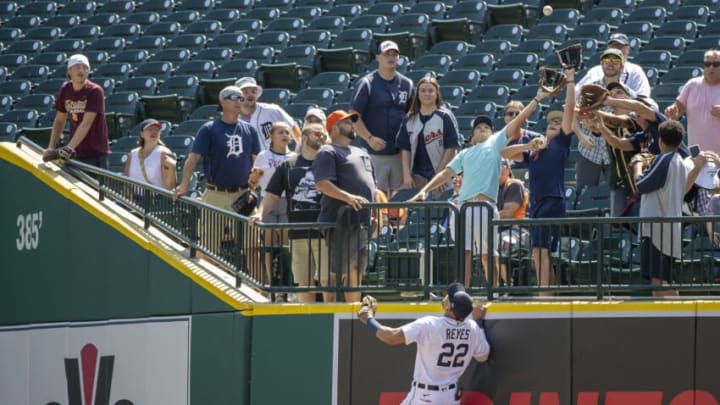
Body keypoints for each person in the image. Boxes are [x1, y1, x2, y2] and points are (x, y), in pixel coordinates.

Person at [408, 87, 549, 288]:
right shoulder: (464, 153)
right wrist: (424, 190)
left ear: (493, 132)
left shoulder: (496, 142)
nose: (483, 128)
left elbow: (519, 120)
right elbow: (445, 173)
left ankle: (494, 293)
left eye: (486, 127)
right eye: (478, 127)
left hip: (485, 207)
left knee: (488, 254)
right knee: (463, 254)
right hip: (463, 206)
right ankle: (461, 294)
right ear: (472, 135)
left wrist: (538, 97)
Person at [501, 68, 575, 295]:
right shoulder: (534, 151)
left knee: (540, 251)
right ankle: (549, 294)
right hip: (537, 204)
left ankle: (544, 295)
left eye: (557, 122)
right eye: (550, 123)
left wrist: (570, 80)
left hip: (552, 201)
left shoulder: (560, 143)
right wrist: (527, 145)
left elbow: (570, 109)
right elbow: (504, 153)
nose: (554, 124)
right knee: (539, 253)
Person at [356, 283, 490, 405]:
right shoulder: (473, 329)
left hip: (425, 397)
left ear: (449, 308)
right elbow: (483, 356)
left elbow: (391, 337)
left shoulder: (430, 324)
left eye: (449, 297)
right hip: (450, 398)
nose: (446, 296)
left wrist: (368, 318)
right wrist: (478, 322)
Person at [173, 86, 261, 250]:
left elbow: (258, 161)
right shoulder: (209, 129)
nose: (239, 101)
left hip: (243, 193)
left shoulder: (250, 130)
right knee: (208, 248)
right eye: (234, 97)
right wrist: (184, 185)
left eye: (241, 98)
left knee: (252, 248)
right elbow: (193, 159)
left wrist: (255, 184)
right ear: (222, 101)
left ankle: (252, 277)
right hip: (215, 194)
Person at [249, 123, 328, 303]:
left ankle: (327, 318)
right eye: (317, 134)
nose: (322, 137)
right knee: (304, 282)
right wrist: (260, 213)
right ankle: (308, 321)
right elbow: (271, 195)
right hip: (298, 234)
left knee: (326, 281)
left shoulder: (329, 163)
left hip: (324, 232)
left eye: (324, 134)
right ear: (305, 138)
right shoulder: (288, 165)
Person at [633, 120, 705, 296]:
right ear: (680, 143)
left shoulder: (663, 159)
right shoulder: (679, 161)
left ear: (660, 141)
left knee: (660, 281)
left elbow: (640, 185)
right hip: (669, 229)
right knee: (663, 280)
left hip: (656, 230)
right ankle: (670, 319)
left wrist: (636, 165)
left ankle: (677, 319)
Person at [313, 110, 376, 303]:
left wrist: (375, 211)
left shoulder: (361, 152)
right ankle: (331, 310)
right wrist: (348, 198)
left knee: (357, 269)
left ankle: (354, 310)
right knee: (338, 270)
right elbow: (322, 183)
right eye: (347, 122)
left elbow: (372, 185)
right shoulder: (327, 151)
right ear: (334, 128)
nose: (352, 125)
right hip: (340, 220)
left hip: (362, 220)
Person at [350, 40, 415, 194]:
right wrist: (369, 138)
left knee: (399, 205)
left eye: (395, 54)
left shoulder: (407, 84)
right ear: (378, 57)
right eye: (387, 54)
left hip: (399, 155)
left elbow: (412, 116)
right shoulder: (367, 83)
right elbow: (353, 116)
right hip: (374, 153)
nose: (391, 57)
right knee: (375, 200)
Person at [44, 53, 110, 168]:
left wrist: (69, 148)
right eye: (78, 67)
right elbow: (59, 120)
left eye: (85, 68)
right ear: (69, 70)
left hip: (96, 154)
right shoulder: (65, 89)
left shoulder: (95, 91)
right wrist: (51, 147)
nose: (82, 70)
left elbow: (87, 123)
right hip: (76, 152)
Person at [252, 121, 298, 287]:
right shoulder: (263, 156)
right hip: (267, 201)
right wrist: (254, 178)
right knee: (269, 246)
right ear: (271, 136)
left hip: (287, 202)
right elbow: (253, 184)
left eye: (287, 132)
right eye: (281, 132)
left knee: (286, 246)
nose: (285, 135)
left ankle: (287, 283)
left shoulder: (294, 157)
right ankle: (269, 283)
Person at [396, 76, 461, 191]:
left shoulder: (445, 116)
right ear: (418, 94)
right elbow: (405, 148)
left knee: (440, 208)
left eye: (431, 91)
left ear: (437, 94)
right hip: (417, 176)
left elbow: (451, 148)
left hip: (441, 174)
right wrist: (406, 175)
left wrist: (439, 175)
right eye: (423, 90)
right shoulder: (410, 118)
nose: (427, 94)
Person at [664, 49, 720, 153]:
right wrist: (672, 110)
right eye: (707, 64)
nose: (711, 67)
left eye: (716, 64)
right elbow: (678, 108)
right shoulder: (692, 84)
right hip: (696, 154)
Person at [575, 33, 652, 101]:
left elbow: (643, 98)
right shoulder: (595, 71)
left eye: (619, 46)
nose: (615, 49)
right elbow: (577, 93)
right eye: (612, 46)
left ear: (628, 49)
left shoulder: (635, 71)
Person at [235, 77, 302, 151]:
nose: (250, 95)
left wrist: (301, 151)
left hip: (279, 160)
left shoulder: (272, 110)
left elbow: (292, 126)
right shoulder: (232, 118)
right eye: (245, 92)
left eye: (253, 91)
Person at [496, 159, 529, 286]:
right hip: (499, 229)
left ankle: (507, 285)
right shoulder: (491, 188)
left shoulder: (514, 185)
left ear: (508, 168)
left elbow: (507, 214)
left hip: (520, 230)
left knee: (502, 241)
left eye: (499, 165)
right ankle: (497, 285)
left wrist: (487, 215)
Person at [124, 118, 177, 191]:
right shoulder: (132, 154)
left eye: (157, 130)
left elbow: (169, 188)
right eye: (150, 129)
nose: (154, 132)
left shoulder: (164, 153)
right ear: (142, 134)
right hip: (132, 201)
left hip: (155, 201)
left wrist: (172, 168)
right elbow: (126, 183)